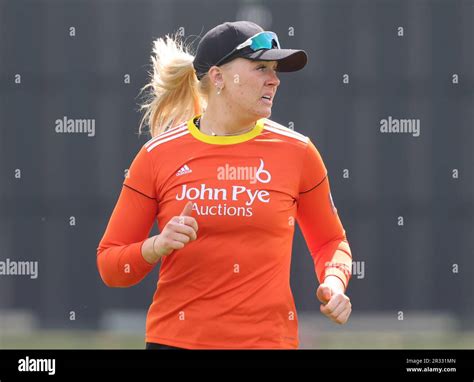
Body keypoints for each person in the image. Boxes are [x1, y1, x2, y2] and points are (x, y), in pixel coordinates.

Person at [97, 20, 353, 350]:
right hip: (175, 343)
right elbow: (111, 267)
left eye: (275, 69)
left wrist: (334, 283)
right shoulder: (156, 155)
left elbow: (330, 241)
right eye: (261, 67)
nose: (274, 80)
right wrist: (157, 246)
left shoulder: (299, 152)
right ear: (218, 77)